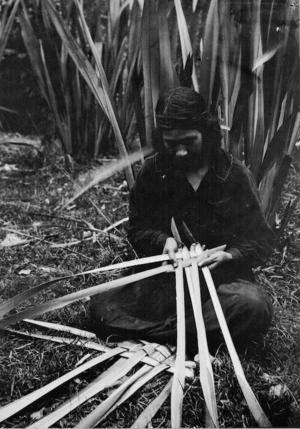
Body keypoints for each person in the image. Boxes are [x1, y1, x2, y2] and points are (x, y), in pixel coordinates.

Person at [90, 87, 275, 354]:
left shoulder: (234, 175)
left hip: (221, 284)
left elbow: (261, 239)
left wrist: (230, 256)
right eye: (171, 143)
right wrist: (163, 241)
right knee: (103, 306)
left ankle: (164, 335)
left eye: (189, 141)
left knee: (253, 305)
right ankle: (195, 334)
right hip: (167, 283)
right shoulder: (153, 171)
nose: (180, 152)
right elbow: (138, 228)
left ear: (208, 134)